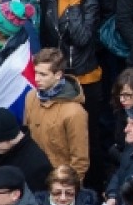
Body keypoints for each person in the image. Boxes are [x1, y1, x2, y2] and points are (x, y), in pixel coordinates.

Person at [24, 49, 88, 178]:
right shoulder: (31, 97)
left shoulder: (75, 112)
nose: (37, 79)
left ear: (58, 74)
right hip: (33, 175)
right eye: (36, 73)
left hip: (59, 181)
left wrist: (69, 189)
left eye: (43, 74)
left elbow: (80, 160)